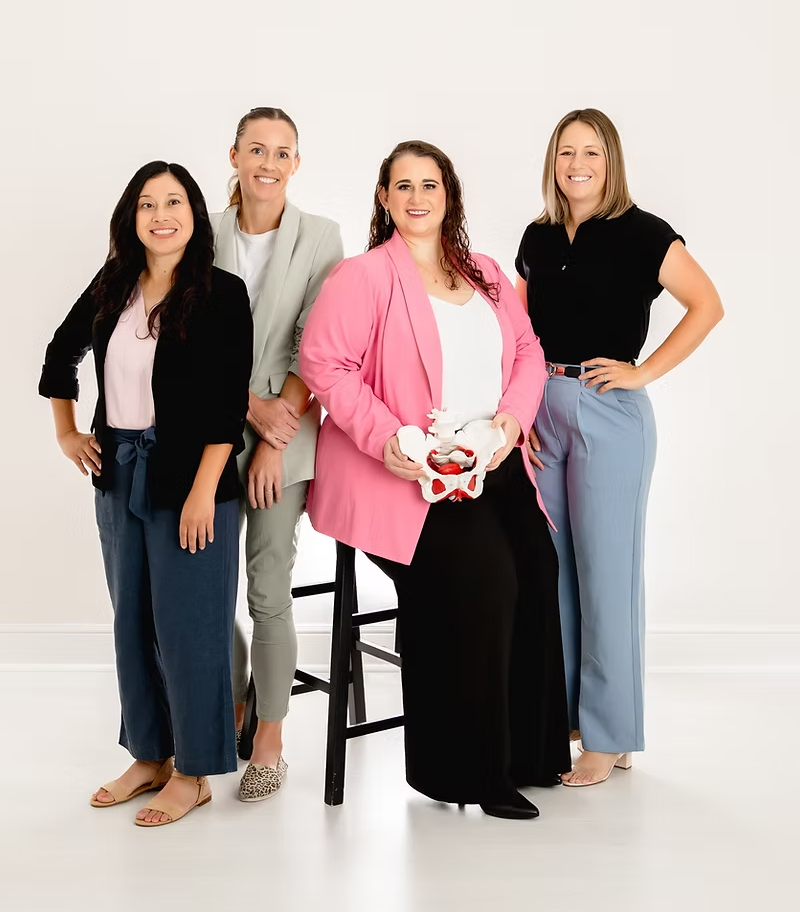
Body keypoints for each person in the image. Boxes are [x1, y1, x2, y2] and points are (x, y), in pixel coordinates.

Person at [300, 141, 571, 820]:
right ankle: (469, 773)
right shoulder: (364, 277)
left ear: (448, 196)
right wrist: (391, 438)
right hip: (405, 474)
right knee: (485, 581)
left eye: (430, 185)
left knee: (537, 567)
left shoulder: (482, 272)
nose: (417, 197)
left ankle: (530, 756)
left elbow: (529, 352)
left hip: (489, 457)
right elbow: (323, 364)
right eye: (403, 186)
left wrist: (510, 424)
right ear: (385, 199)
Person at [39, 162, 253, 825]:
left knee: (190, 628)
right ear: (132, 218)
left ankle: (194, 771)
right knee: (132, 621)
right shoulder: (113, 284)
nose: (161, 214)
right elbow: (59, 354)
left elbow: (224, 407)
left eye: (174, 202)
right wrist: (69, 433)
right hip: (118, 474)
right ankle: (150, 754)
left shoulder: (221, 292)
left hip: (195, 482)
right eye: (147, 204)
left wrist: (201, 493)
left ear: (195, 213)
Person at [515, 108, 724, 786]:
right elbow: (517, 333)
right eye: (566, 152)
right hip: (541, 412)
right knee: (552, 574)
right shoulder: (538, 237)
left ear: (611, 163)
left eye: (591, 153)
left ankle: (608, 737)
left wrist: (642, 371)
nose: (578, 163)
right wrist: (515, 415)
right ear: (553, 161)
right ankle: (572, 721)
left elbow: (707, 304)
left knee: (607, 578)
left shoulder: (644, 233)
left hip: (609, 411)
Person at [211, 107, 343, 801]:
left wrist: (270, 435)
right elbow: (185, 343)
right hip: (204, 430)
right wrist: (245, 410)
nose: (267, 162)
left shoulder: (322, 238)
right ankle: (232, 696)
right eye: (255, 149)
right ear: (233, 154)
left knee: (267, 587)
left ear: (297, 163)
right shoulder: (197, 234)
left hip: (283, 440)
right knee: (198, 585)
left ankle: (269, 734)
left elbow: (314, 346)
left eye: (282, 152)